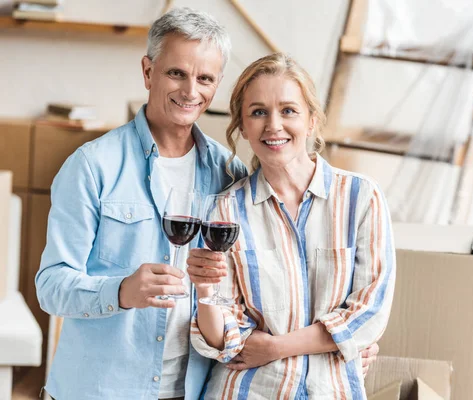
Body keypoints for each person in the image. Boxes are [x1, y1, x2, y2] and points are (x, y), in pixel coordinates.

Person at [35, 7, 379, 400]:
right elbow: (51, 286)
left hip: (194, 388)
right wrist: (122, 291)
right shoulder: (92, 166)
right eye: (176, 73)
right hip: (98, 390)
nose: (190, 91)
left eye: (205, 79)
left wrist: (341, 344)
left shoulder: (229, 175)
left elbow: (263, 292)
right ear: (148, 72)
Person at [187, 53, 396, 399]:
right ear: (242, 125)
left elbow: (369, 314)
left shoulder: (362, 198)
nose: (273, 125)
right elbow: (225, 340)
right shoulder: (226, 209)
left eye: (288, 110)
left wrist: (276, 347)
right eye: (258, 112)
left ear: (311, 120)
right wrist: (206, 293)